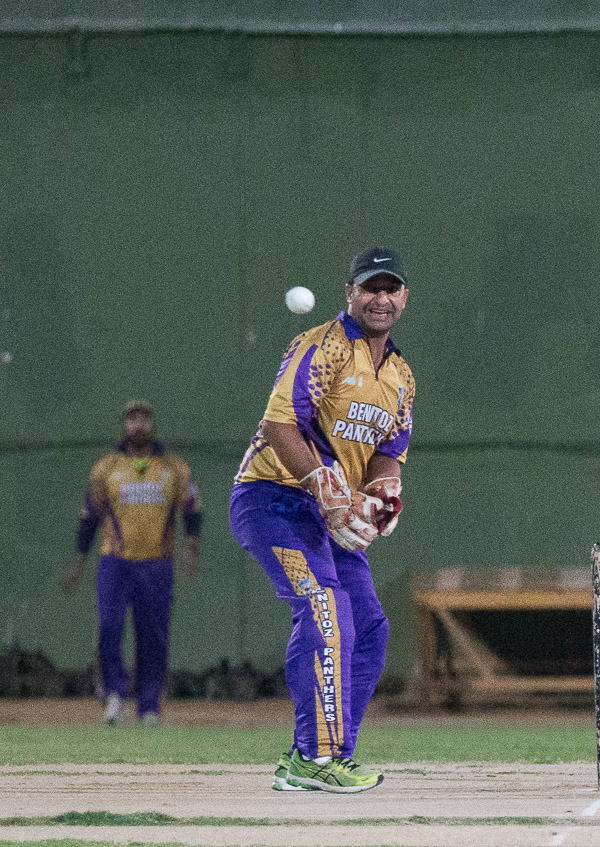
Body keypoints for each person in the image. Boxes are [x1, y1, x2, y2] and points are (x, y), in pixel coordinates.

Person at [229, 247, 414, 793]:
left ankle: (321, 756)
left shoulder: (400, 374)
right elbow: (279, 425)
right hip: (273, 497)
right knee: (323, 606)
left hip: (327, 515)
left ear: (404, 298)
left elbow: (389, 451)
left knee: (370, 627)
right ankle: (316, 756)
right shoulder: (323, 344)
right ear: (351, 293)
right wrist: (321, 484)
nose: (380, 298)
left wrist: (384, 491)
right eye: (370, 287)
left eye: (390, 289)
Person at [64, 400, 201, 727]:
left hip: (157, 564)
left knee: (153, 634)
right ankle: (114, 696)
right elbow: (90, 518)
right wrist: (79, 564)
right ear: (124, 425)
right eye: (132, 418)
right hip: (115, 562)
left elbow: (192, 510)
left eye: (144, 418)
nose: (138, 424)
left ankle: (149, 706)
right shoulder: (106, 468)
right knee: (109, 627)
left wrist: (190, 549)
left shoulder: (173, 468)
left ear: (152, 424)